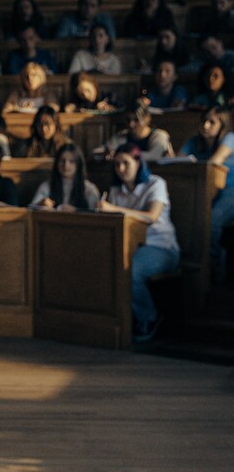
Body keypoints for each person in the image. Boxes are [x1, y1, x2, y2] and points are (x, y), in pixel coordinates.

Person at [97, 143, 179, 341]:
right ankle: (113, 321)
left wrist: (113, 210)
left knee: (130, 270)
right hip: (130, 246)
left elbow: (151, 216)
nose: (121, 169)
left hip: (160, 247)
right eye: (117, 165)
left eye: (125, 163)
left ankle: (149, 318)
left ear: (138, 162)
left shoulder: (155, 183)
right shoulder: (117, 190)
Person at [178, 106, 234, 284]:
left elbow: (213, 163)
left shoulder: (230, 138)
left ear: (222, 124)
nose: (206, 125)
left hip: (230, 190)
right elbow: (178, 159)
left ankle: (215, 269)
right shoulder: (195, 140)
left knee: (213, 221)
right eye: (204, 121)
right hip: (203, 190)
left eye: (212, 122)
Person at [30, 143, 100, 210]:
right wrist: (41, 204)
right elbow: (31, 209)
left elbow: (95, 214)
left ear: (78, 165)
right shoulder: (47, 186)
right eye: (62, 160)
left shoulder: (89, 189)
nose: (66, 165)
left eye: (72, 161)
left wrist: (76, 212)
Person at [103, 100, 174, 161]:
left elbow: (154, 156)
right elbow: (101, 150)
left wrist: (121, 154)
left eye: (136, 120)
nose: (131, 124)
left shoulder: (159, 135)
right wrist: (107, 152)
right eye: (128, 120)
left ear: (146, 119)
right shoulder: (123, 135)